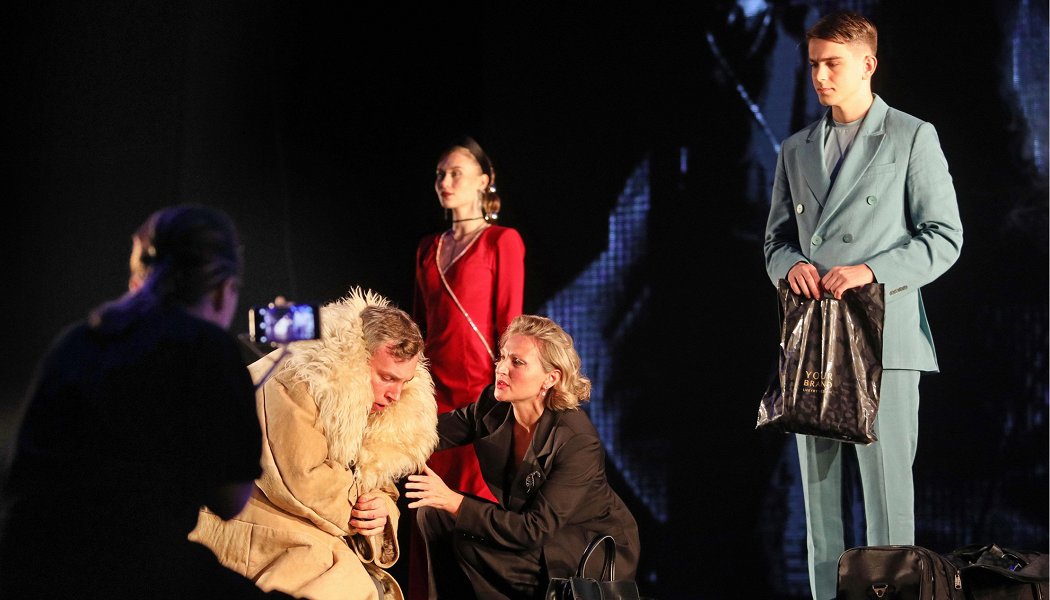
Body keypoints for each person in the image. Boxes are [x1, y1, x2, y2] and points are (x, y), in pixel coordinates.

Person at [762, 10, 963, 599]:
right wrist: (790, 266)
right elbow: (775, 241)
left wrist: (871, 271)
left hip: (885, 340)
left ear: (868, 64)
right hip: (814, 341)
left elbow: (945, 237)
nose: (820, 76)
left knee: (888, 507)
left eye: (833, 64)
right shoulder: (795, 149)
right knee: (819, 510)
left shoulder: (911, 136)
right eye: (814, 65)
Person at [0, 204, 293, 598]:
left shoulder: (77, 341)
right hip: (129, 570)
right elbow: (230, 500)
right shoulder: (205, 348)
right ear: (224, 288)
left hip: (26, 563)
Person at [191, 287, 439, 600]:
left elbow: (378, 479)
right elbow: (300, 480)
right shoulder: (299, 377)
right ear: (355, 358)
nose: (396, 395)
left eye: (405, 382)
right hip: (251, 522)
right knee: (344, 586)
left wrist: (382, 510)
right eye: (387, 378)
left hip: (304, 527)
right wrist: (360, 508)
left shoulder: (381, 410)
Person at [407, 314, 640, 600]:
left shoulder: (577, 441)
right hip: (532, 536)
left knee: (468, 543)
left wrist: (454, 501)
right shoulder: (494, 406)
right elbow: (430, 434)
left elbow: (534, 529)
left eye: (517, 362)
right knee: (434, 514)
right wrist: (373, 430)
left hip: (581, 550)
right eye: (502, 357)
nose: (501, 368)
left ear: (550, 378)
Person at [408, 136, 526, 598]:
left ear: (484, 180)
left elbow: (511, 327)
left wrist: (506, 397)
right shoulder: (428, 247)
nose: (446, 181)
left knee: (474, 511)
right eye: (440, 174)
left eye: (456, 172)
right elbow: (417, 330)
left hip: (481, 399)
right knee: (426, 511)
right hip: (432, 401)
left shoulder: (502, 241)